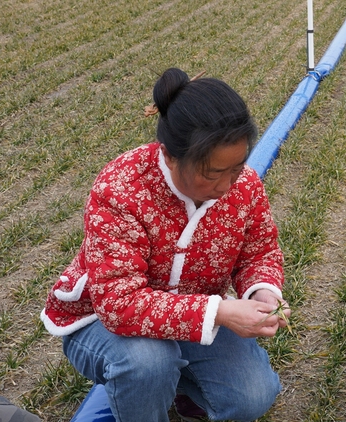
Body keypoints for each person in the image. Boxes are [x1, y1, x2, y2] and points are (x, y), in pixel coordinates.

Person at [40, 68, 290, 422]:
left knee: (253, 396)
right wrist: (219, 312)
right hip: (102, 322)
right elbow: (118, 303)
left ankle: (184, 390)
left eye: (236, 168)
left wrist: (262, 291)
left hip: (194, 313)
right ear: (171, 156)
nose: (226, 185)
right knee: (148, 364)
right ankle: (147, 393)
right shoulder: (122, 188)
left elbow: (259, 250)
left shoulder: (244, 186)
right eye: (211, 173)